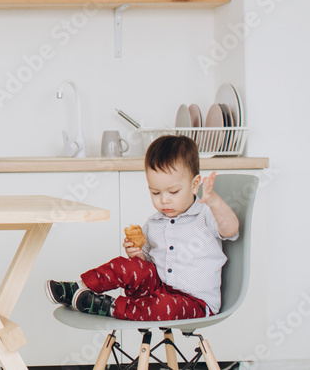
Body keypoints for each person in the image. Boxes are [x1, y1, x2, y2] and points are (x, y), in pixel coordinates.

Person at [46, 135, 239, 321]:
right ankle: (77, 288)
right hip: (157, 289)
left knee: (162, 307)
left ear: (195, 184)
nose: (164, 200)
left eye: (173, 192)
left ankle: (109, 306)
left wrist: (214, 201)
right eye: (155, 192)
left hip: (195, 302)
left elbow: (230, 229)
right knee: (125, 266)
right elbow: (145, 266)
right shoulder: (153, 224)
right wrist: (136, 254)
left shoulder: (206, 215)